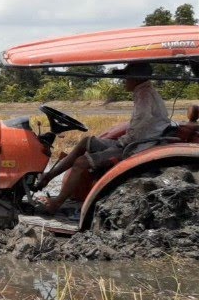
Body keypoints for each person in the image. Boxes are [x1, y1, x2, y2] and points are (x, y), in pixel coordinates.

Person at [34, 62, 171, 214]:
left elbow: (140, 126)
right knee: (86, 141)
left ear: (135, 78)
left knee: (81, 162)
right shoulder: (144, 91)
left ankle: (56, 203)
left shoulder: (144, 95)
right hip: (134, 142)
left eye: (126, 78)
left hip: (135, 148)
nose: (124, 81)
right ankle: (48, 176)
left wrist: (120, 143)